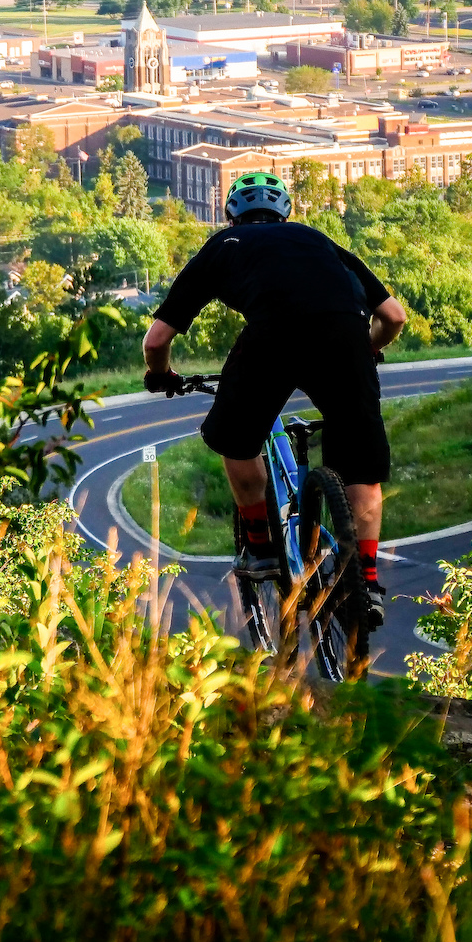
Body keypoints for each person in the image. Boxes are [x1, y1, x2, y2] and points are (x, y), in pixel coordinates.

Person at [141, 172, 406, 626]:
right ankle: (366, 579)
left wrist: (161, 375)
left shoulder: (224, 245)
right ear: (286, 215)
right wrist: (366, 348)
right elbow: (394, 317)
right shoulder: (317, 240)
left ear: (231, 217)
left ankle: (261, 549)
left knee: (234, 438)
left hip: (273, 338)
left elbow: (156, 340)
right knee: (360, 465)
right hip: (345, 336)